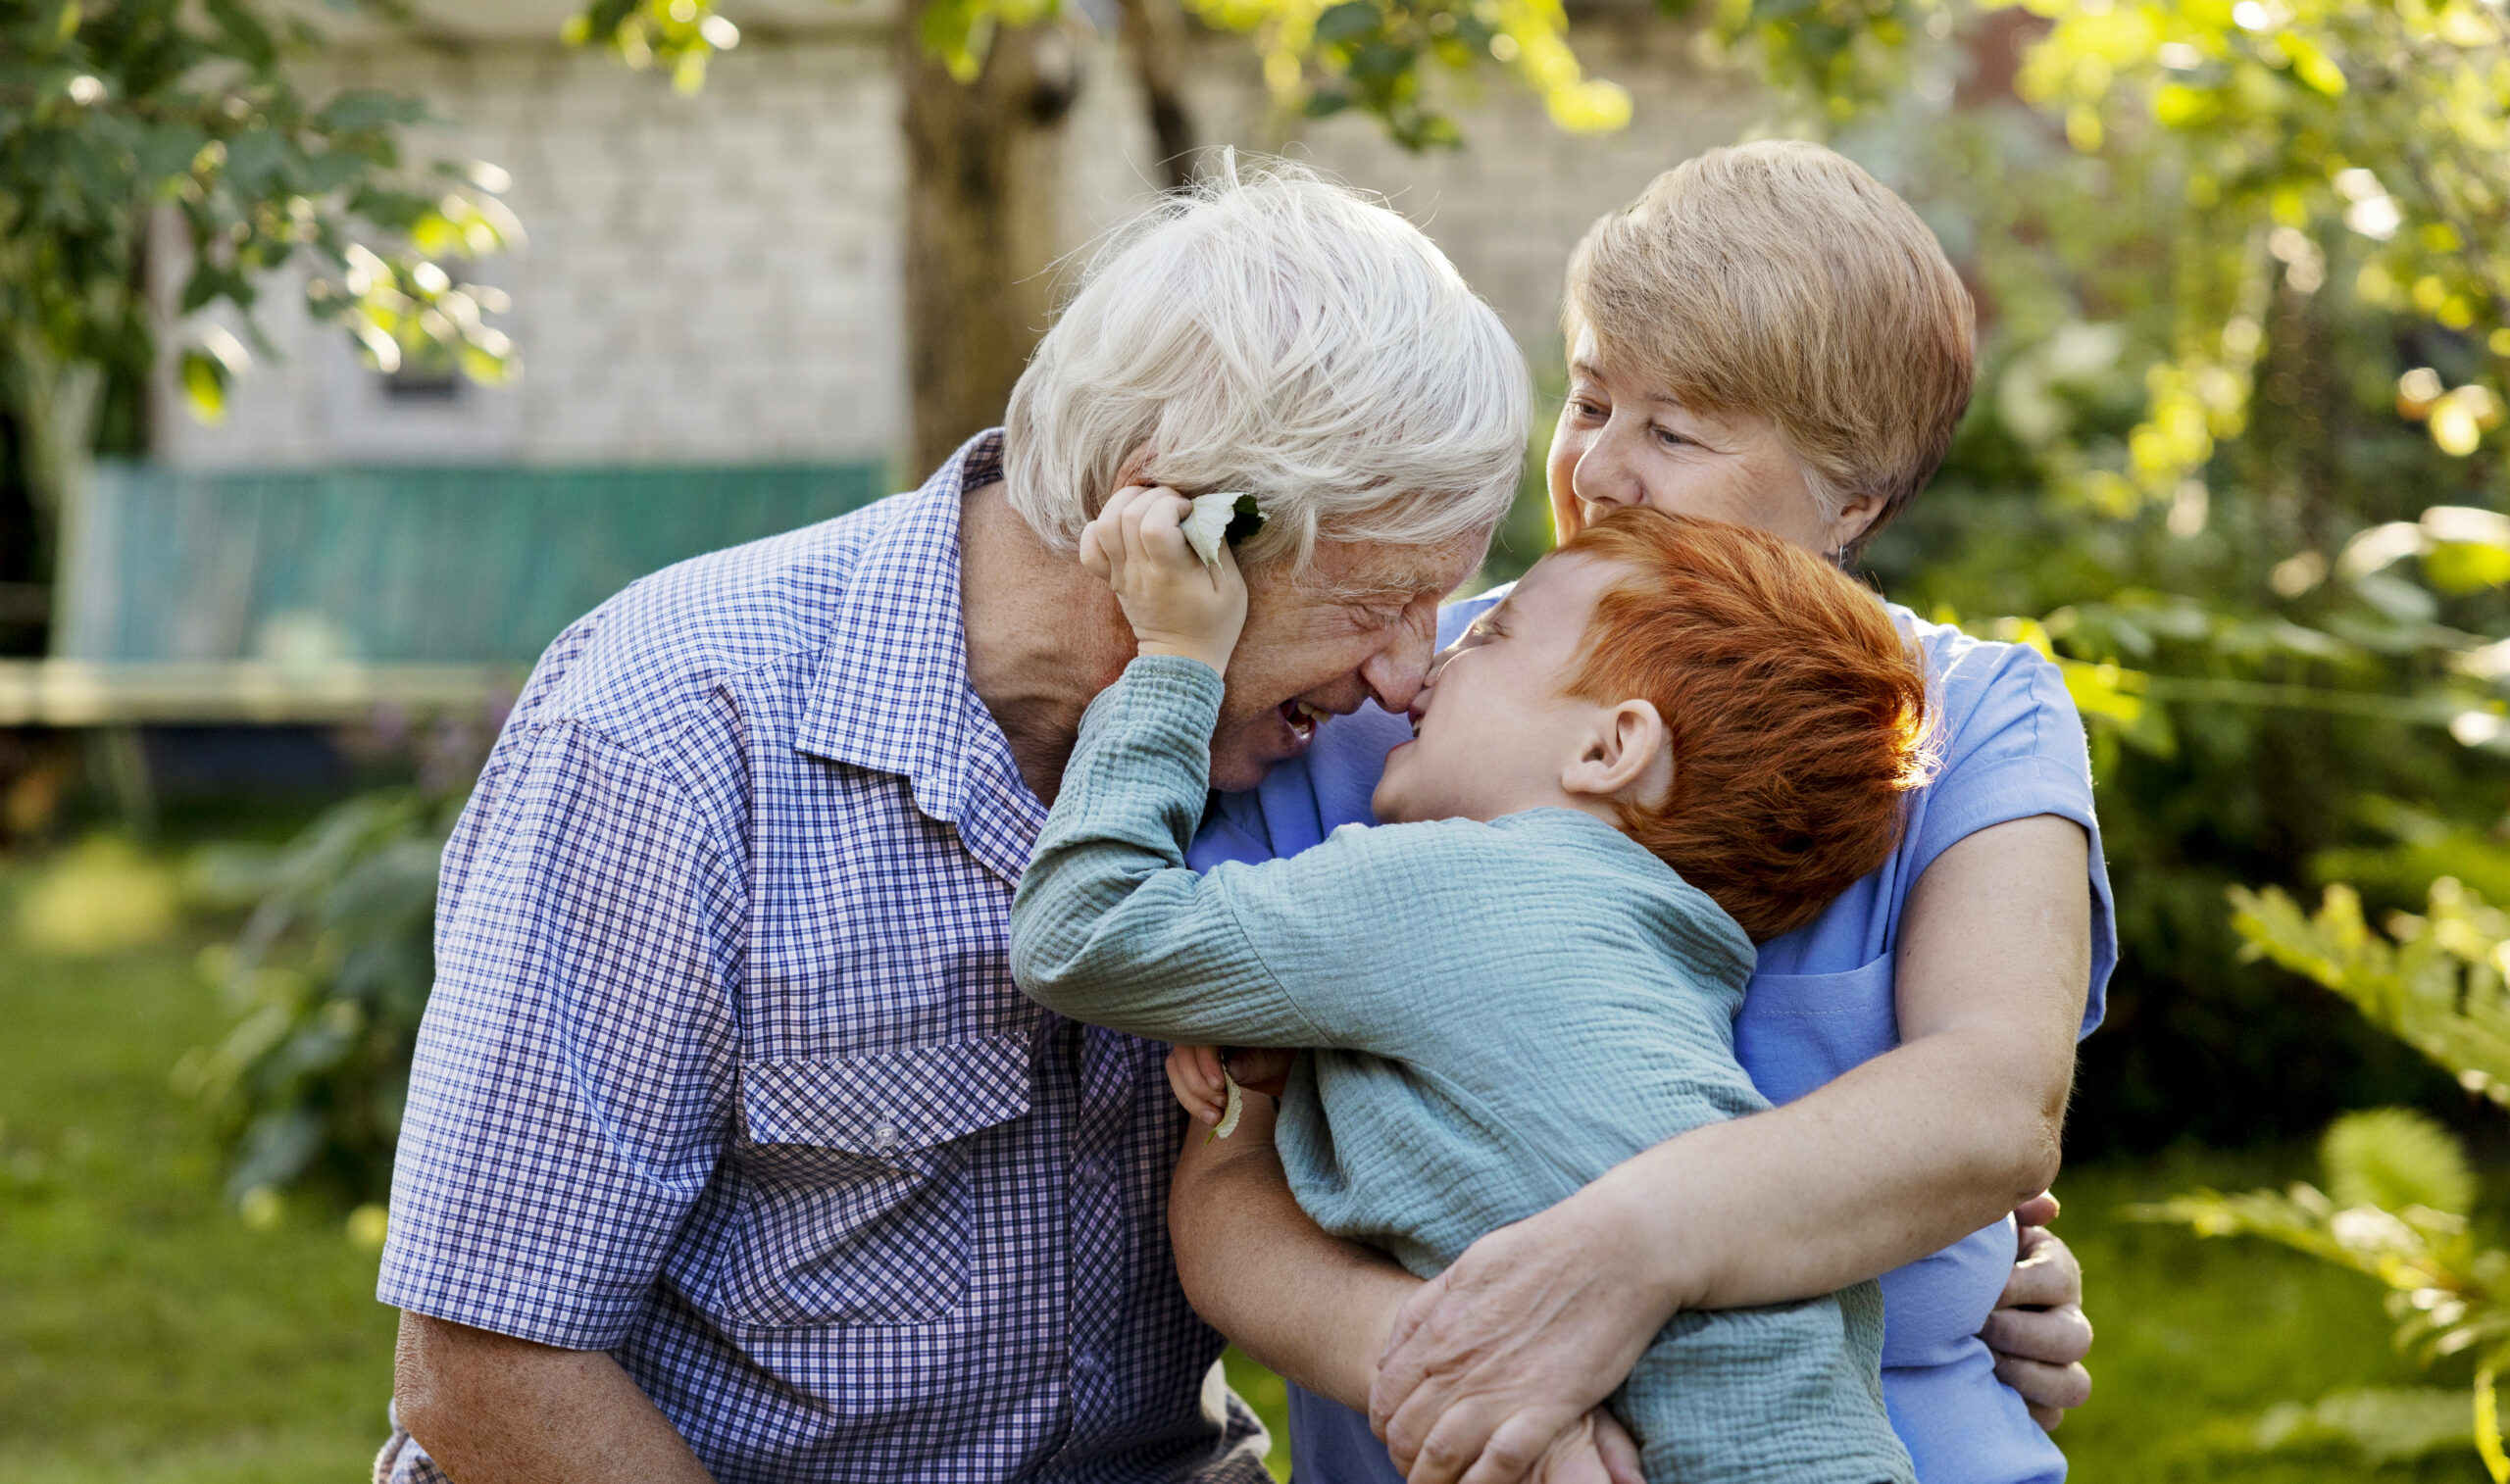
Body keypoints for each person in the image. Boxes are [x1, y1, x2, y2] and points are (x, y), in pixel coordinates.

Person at [370, 159, 1538, 1484]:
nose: (1405, 673)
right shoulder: (671, 730)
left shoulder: (1345, 751)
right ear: (1177, 523)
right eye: (1373, 603)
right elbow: (486, 1369)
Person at [1170, 139, 2113, 1484]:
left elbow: (1987, 1105)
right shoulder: (1394, 699)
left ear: (1856, 498)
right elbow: (1223, 1174)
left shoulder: (1965, 723)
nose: (1600, 472)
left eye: (1673, 432)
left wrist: (1631, 1248)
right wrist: (1462, 1368)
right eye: (1592, 401)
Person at [1013, 489, 1941, 1484]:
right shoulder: (1673, 957)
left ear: (1607, 748)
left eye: (1488, 635)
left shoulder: (1448, 885)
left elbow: (1083, 929)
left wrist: (1174, 663)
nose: (1420, 672)